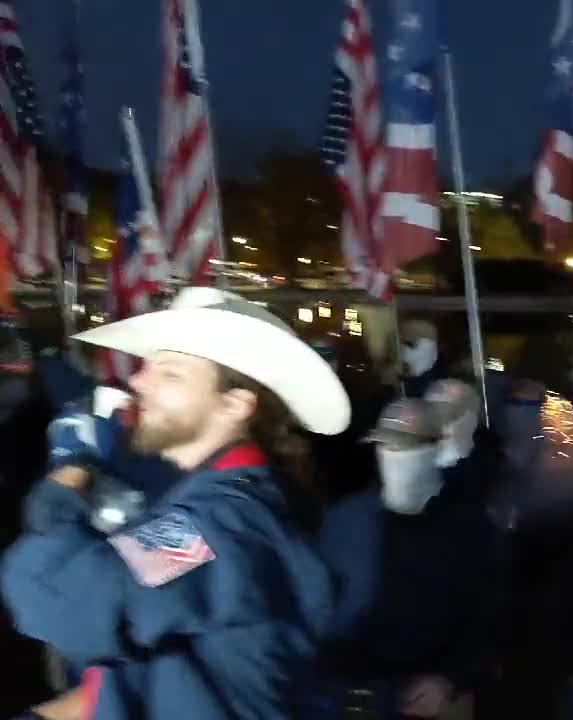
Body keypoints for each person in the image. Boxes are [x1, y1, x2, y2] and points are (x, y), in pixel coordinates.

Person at [0, 287, 346, 719]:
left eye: (171, 373)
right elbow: (136, 681)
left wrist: (71, 473)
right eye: (148, 368)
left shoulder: (222, 523)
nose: (138, 381)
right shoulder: (212, 503)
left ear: (234, 405)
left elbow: (67, 597)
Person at [311, 382, 508, 719]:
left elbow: (490, 615)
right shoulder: (345, 521)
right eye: (385, 445)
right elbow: (316, 606)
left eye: (406, 447)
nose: (393, 457)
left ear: (436, 448)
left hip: (434, 698)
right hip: (356, 694)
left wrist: (449, 679)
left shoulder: (468, 527)